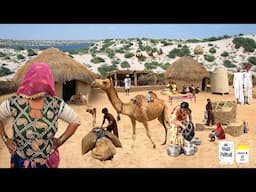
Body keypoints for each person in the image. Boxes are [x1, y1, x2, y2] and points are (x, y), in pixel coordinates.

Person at [0, 62, 81, 168]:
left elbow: (75, 121)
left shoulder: (55, 104)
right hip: (20, 162)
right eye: (36, 78)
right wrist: (6, 139)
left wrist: (61, 140)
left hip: (46, 164)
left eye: (43, 78)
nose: (39, 82)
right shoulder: (15, 102)